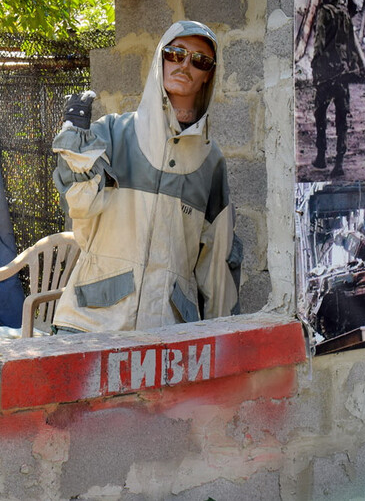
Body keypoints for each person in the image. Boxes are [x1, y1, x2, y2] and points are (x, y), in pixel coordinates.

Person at [50, 20, 239, 333]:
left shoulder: (210, 161)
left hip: (165, 333)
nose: (185, 65)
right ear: (160, 58)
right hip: (91, 324)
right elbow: (79, 210)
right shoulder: (111, 133)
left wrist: (224, 340)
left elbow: (218, 262)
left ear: (209, 75)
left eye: (200, 60)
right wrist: (76, 150)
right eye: (175, 53)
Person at [310, 0, 365, 179]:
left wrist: (314, 65)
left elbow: (319, 43)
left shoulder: (324, 12)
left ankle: (321, 157)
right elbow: (352, 44)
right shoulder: (345, 13)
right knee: (341, 118)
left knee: (320, 113)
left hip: (326, 74)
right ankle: (339, 163)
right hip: (343, 73)